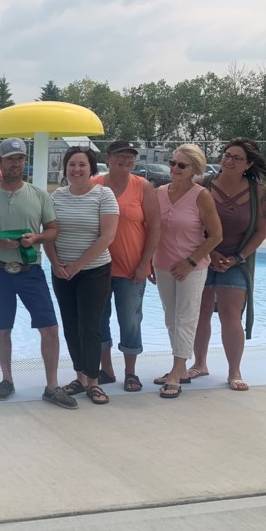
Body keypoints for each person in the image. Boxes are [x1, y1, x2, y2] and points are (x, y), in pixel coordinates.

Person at [0, 138, 76, 409]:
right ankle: (6, 379)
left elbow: (53, 230)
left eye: (20, 159)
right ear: (0, 162)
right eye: (10, 159)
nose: (15, 164)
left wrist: (36, 237)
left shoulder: (39, 195)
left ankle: (52, 385)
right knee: (3, 328)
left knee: (49, 328)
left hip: (30, 271)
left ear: (24, 162)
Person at [189, 137, 266, 391]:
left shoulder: (257, 192)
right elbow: (193, 225)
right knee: (201, 312)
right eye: (227, 155)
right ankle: (199, 363)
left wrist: (237, 258)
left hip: (237, 261)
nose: (228, 160)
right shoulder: (203, 185)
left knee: (230, 315)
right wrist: (212, 252)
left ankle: (234, 371)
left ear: (248, 164)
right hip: (204, 256)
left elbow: (262, 231)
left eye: (236, 158)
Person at [42, 146, 119, 406]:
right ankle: (80, 377)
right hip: (62, 272)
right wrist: (55, 263)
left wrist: (78, 264)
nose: (76, 169)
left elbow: (107, 237)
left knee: (90, 326)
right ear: (65, 168)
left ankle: (94, 381)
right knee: (71, 325)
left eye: (82, 164)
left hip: (94, 271)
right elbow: (48, 233)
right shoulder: (56, 197)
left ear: (91, 168)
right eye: (72, 164)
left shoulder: (104, 195)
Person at [151, 144, 223, 398]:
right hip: (162, 265)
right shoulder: (158, 192)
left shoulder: (201, 195)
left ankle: (177, 370)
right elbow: (153, 231)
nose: (174, 168)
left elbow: (215, 236)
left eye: (181, 165)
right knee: (171, 317)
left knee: (186, 317)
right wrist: (150, 260)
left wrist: (190, 262)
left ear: (195, 169)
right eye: (172, 163)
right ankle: (179, 369)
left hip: (192, 267)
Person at [91, 141, 161, 393]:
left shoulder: (143, 187)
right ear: (108, 158)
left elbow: (155, 228)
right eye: (120, 155)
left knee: (130, 321)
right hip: (98, 268)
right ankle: (106, 369)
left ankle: (130, 372)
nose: (126, 160)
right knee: (99, 320)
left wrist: (145, 264)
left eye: (130, 156)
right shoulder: (94, 186)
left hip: (132, 270)